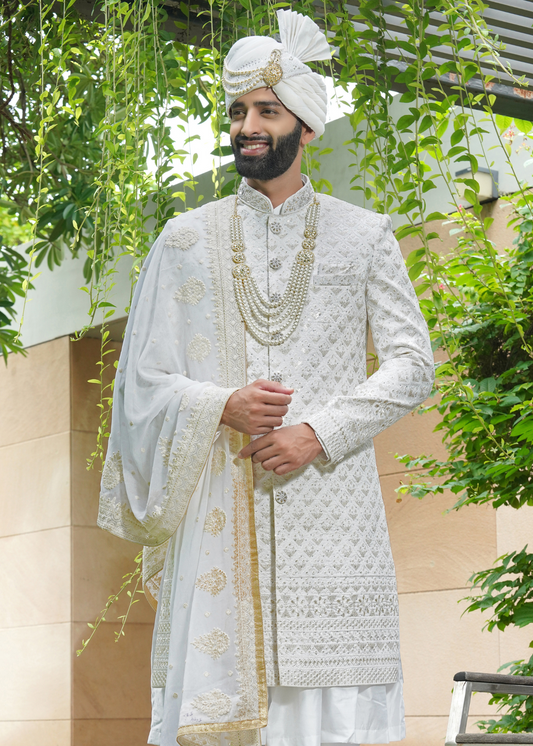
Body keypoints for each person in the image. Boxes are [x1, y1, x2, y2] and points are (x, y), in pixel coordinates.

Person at [97, 9, 434, 746]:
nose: (247, 124)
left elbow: (414, 364)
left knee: (334, 710)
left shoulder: (364, 234)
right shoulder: (185, 240)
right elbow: (142, 383)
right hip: (225, 519)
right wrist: (220, 404)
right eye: (238, 110)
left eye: (266, 110)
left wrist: (319, 431)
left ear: (305, 128)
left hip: (334, 528)